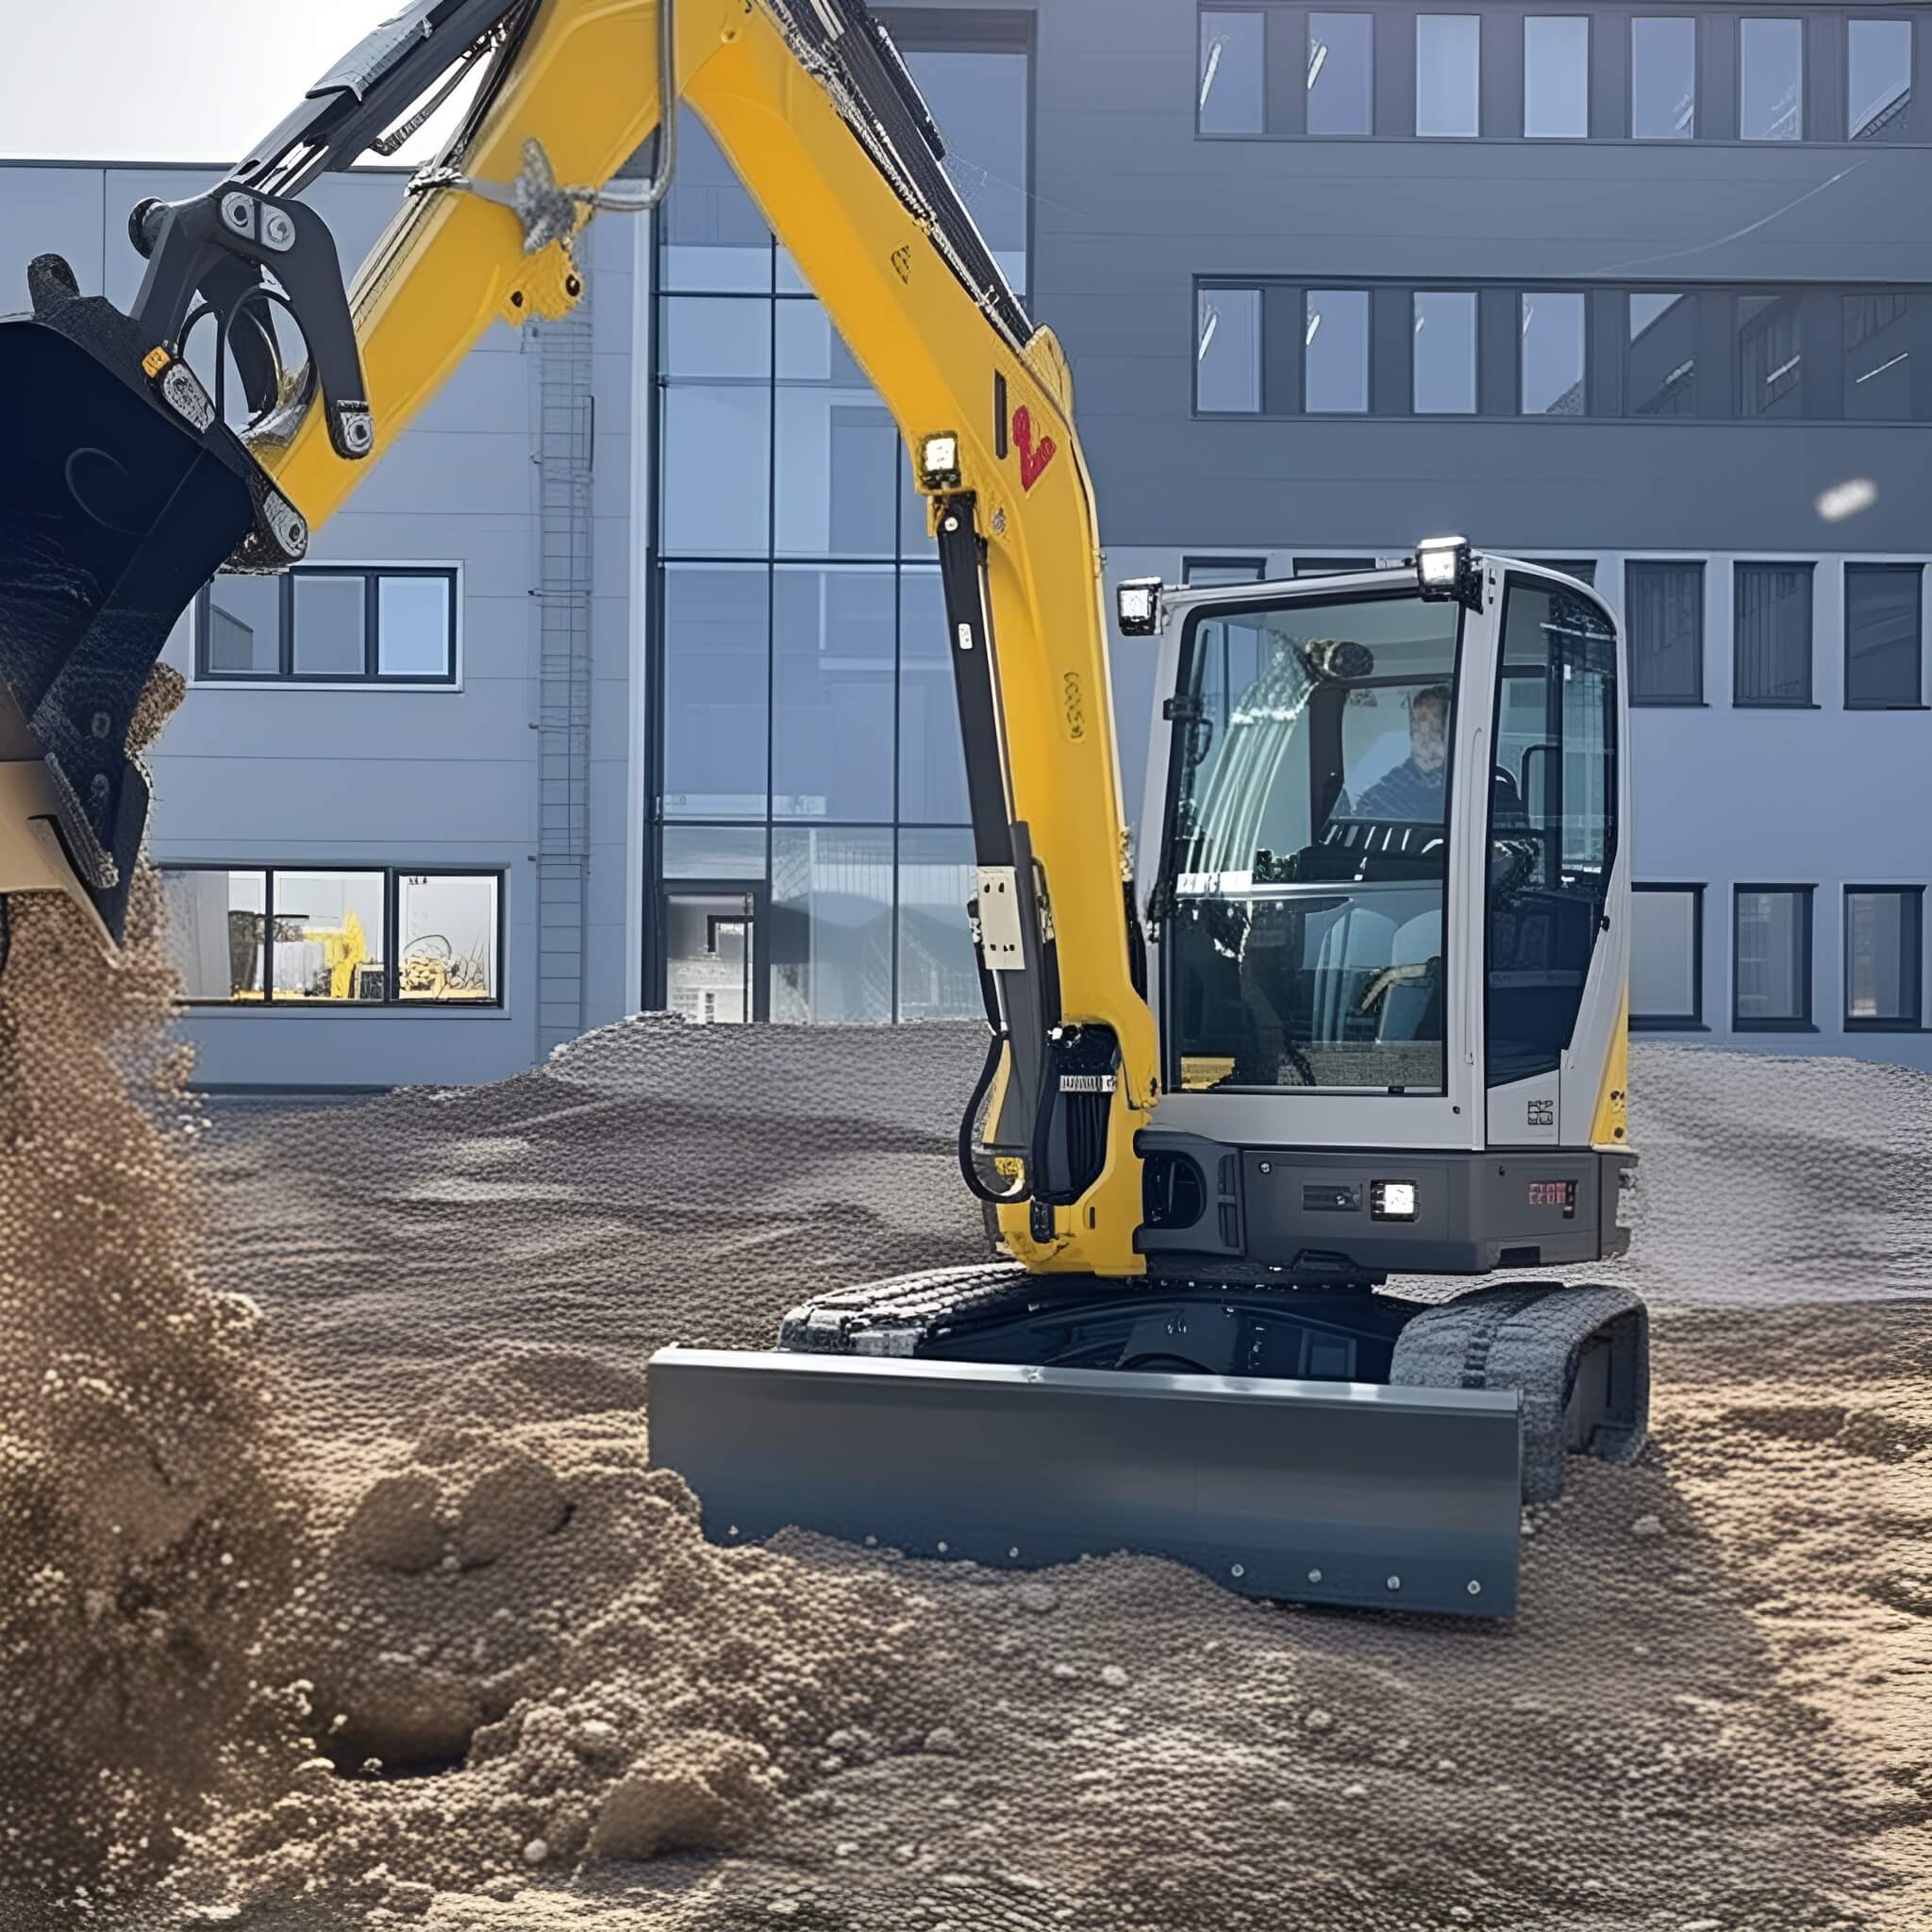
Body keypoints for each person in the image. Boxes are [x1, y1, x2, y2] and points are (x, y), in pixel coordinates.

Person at [1355, 684, 1452, 822]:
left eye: (1434, 731)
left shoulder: (1475, 787)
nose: (1424, 743)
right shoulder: (1382, 795)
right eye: (1418, 730)